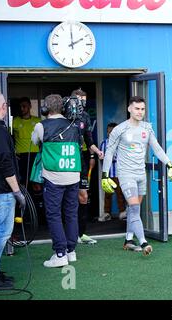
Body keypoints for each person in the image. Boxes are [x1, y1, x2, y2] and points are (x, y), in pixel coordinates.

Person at [101, 96, 172, 255]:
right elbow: (109, 152)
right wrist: (104, 175)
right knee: (135, 209)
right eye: (137, 108)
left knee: (133, 209)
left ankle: (128, 240)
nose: (140, 112)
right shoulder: (120, 129)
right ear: (129, 109)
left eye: (142, 109)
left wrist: (170, 164)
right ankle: (143, 242)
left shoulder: (147, 128)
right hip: (126, 174)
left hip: (141, 174)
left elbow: (156, 149)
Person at [32, 94, 81, 268]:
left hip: (53, 178)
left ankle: (60, 253)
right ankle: (71, 251)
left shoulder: (41, 125)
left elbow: (34, 141)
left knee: (54, 215)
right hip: (74, 176)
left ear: (45, 109)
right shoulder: (74, 125)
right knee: (71, 214)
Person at [0, 91, 26, 289]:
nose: (6, 108)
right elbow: (5, 161)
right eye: (5, 105)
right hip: (2, 191)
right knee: (1, 233)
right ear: (2, 106)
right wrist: (17, 191)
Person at [71, 89, 104, 245]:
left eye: (84, 99)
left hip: (80, 161)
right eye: (78, 99)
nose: (81, 102)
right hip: (65, 162)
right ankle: (69, 233)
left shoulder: (85, 116)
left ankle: (81, 233)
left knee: (83, 196)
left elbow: (89, 140)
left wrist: (97, 152)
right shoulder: (65, 115)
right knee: (68, 198)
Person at [12, 97, 44, 224]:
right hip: (21, 158)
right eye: (20, 106)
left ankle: (39, 216)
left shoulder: (37, 121)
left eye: (24, 106)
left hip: (35, 156)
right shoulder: (15, 121)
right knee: (22, 186)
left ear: (30, 106)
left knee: (37, 185)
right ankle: (23, 216)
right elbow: (9, 138)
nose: (22, 109)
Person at [98, 122, 126, 222]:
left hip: (119, 173)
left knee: (120, 193)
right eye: (109, 131)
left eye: (113, 131)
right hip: (108, 174)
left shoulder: (122, 143)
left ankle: (123, 212)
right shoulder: (104, 143)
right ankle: (107, 213)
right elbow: (101, 158)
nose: (110, 133)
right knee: (108, 195)